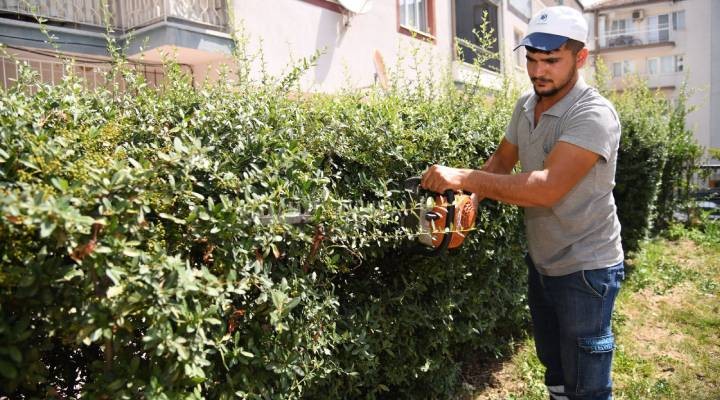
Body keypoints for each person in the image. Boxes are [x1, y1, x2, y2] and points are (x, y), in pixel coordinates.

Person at [421, 6, 624, 400]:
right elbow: (501, 161)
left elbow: (546, 188)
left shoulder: (593, 115)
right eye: (532, 59)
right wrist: (469, 200)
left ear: (580, 58)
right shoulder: (526, 104)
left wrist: (464, 177)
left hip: (587, 268)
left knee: (587, 384)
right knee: (555, 368)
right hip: (543, 261)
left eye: (551, 61)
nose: (538, 71)